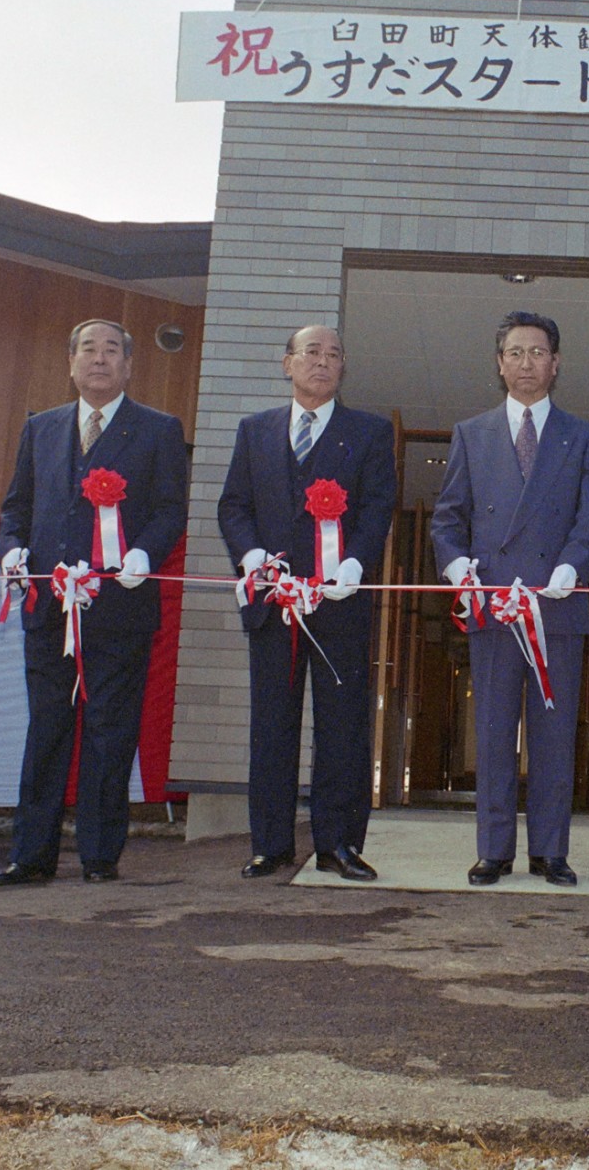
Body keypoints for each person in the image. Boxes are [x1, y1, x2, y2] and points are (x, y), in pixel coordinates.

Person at [0, 320, 191, 885]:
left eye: (111, 351)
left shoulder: (157, 429)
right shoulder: (41, 428)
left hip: (120, 606)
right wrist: (11, 552)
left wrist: (144, 555)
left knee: (109, 729)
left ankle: (101, 855)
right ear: (70, 363)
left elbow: (170, 510)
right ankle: (31, 855)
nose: (98, 360)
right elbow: (15, 509)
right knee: (46, 728)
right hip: (51, 606)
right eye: (87, 350)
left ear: (129, 365)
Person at [433, 310, 589, 887]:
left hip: (556, 606)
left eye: (537, 353)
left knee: (554, 737)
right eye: (515, 352)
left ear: (555, 364)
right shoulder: (471, 432)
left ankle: (551, 852)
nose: (526, 363)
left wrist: (570, 567)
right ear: (499, 362)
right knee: (492, 731)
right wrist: (460, 570)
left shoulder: (583, 436)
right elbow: (448, 518)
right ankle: (494, 849)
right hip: (492, 608)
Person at [219, 325, 397, 881]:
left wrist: (356, 563)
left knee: (342, 726)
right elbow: (234, 506)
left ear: (344, 368)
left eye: (334, 355)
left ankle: (338, 845)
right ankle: (270, 844)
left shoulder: (368, 432)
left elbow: (376, 507)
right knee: (272, 724)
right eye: (311, 353)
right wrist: (250, 557)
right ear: (287, 363)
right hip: (274, 602)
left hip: (339, 602)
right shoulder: (255, 431)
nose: (322, 362)